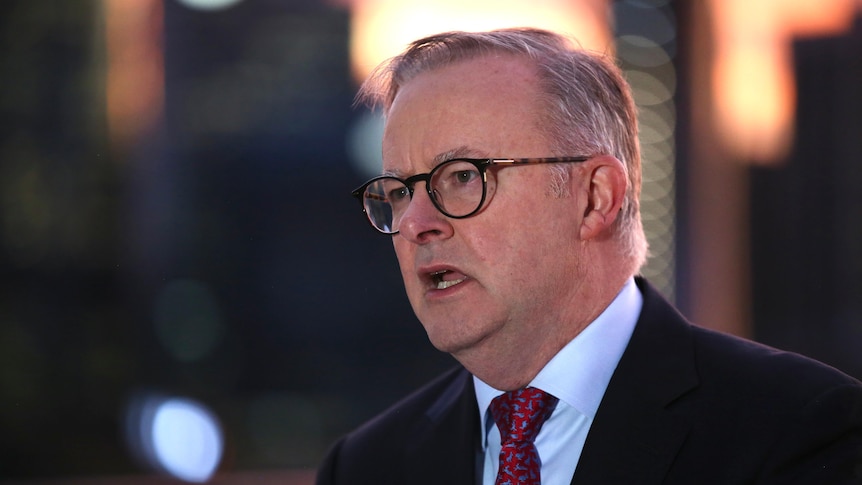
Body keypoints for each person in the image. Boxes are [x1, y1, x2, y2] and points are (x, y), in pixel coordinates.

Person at [316, 28, 862, 484]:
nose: (414, 224)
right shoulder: (366, 467)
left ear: (595, 197)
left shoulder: (800, 427)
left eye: (461, 178)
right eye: (398, 192)